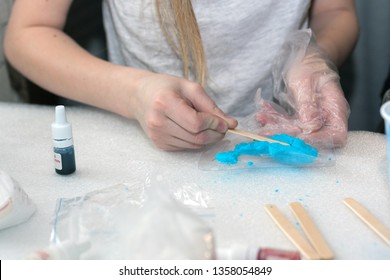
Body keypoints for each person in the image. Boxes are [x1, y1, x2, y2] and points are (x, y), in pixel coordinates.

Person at [4, 0, 358, 151]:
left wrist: (314, 56)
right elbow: (28, 33)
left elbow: (336, 10)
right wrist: (134, 93)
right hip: (140, 147)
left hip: (284, 141)